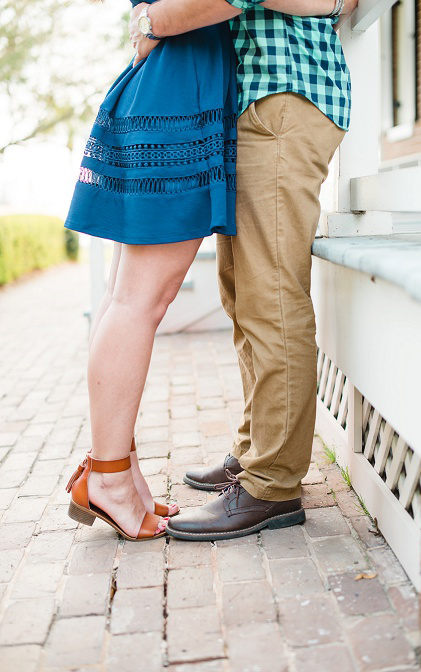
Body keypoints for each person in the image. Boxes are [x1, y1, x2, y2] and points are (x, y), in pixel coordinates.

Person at [65, 0, 353, 542]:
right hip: (233, 101)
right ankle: (250, 452)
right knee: (242, 294)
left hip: (280, 92)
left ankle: (272, 482)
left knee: (267, 295)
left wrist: (152, 21)